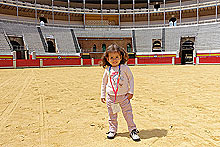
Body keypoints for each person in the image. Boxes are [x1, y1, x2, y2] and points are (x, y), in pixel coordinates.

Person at [100, 44, 140, 141]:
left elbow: (131, 79)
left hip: (124, 97)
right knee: (112, 114)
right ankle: (112, 129)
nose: (114, 60)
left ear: (121, 57)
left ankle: (132, 129)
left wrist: (131, 91)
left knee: (128, 113)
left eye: (117, 57)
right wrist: (102, 94)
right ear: (107, 58)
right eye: (112, 57)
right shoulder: (107, 69)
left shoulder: (125, 68)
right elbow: (103, 83)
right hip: (111, 97)